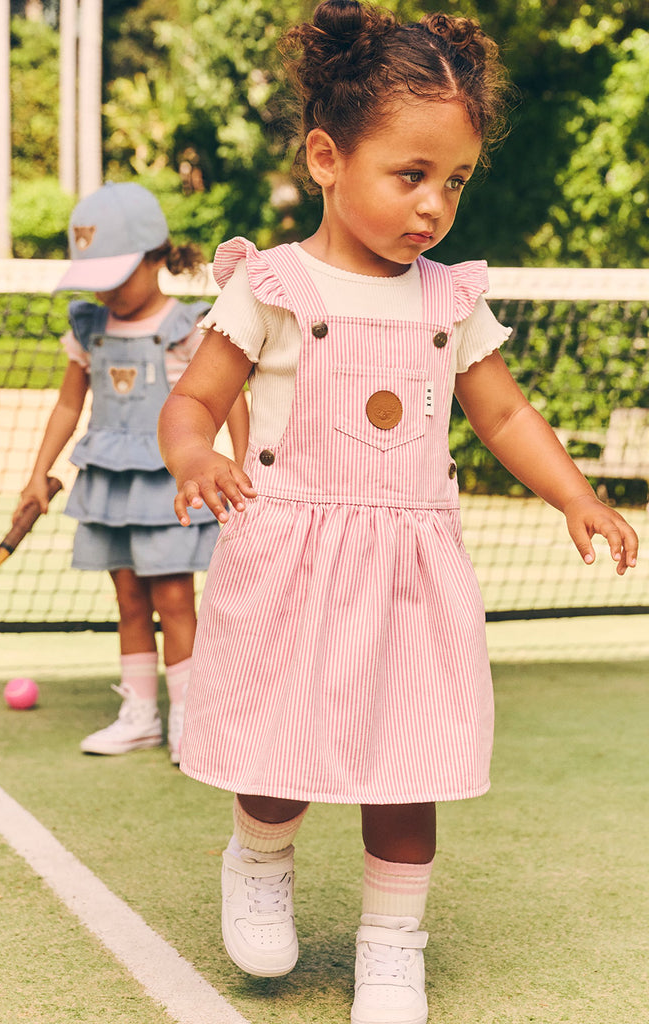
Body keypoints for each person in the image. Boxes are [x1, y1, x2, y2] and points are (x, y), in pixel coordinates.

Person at [158, 3, 639, 1023]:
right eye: (410, 175)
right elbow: (195, 397)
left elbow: (504, 411)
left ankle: (391, 946)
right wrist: (195, 451)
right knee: (279, 756)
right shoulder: (272, 286)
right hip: (292, 553)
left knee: (408, 762)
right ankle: (259, 857)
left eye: (455, 182)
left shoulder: (451, 300)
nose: (434, 206)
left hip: (412, 570)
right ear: (326, 157)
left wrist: (576, 493)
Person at [15, 181, 249, 764]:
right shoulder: (88, 327)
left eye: (117, 274)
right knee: (127, 600)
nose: (107, 290)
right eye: (97, 276)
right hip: (109, 483)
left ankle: (191, 723)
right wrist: (37, 474)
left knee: (174, 599)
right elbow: (70, 405)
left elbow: (230, 401)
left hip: (168, 487)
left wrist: (243, 468)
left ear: (155, 255)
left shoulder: (188, 327)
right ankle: (140, 716)